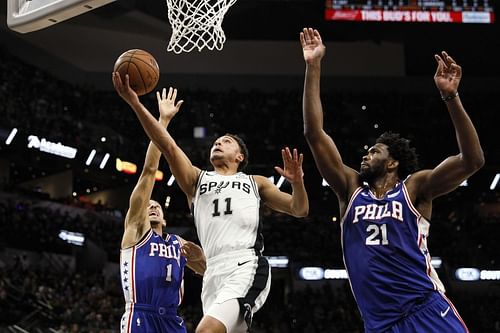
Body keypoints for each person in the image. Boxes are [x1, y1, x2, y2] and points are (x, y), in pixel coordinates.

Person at [300, 27, 484, 333]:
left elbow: (472, 161)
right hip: (380, 324)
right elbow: (313, 133)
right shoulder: (350, 189)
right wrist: (313, 66)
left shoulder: (415, 188)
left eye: (375, 151)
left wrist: (451, 97)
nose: (366, 155)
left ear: (393, 163)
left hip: (425, 310)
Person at [113, 73, 308, 333]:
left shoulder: (255, 182)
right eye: (216, 141)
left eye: (226, 141)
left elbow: (299, 208)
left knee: (205, 331)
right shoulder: (196, 179)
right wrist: (136, 104)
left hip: (245, 265)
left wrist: (297, 183)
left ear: (239, 156)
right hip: (212, 273)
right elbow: (166, 146)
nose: (218, 142)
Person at [120, 87, 206, 333]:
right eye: (148, 206)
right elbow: (149, 171)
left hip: (171, 319)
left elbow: (208, 274)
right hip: (140, 314)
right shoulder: (136, 231)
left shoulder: (178, 244)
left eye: (156, 206)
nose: (152, 207)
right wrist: (163, 121)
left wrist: (201, 260)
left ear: (165, 218)